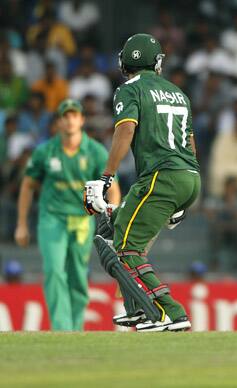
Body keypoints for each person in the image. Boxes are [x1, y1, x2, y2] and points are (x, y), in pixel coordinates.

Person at [83, 34, 201, 332]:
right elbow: (190, 144)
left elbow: (125, 133)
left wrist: (105, 178)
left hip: (161, 177)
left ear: (125, 61)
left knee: (126, 249)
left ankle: (170, 312)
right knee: (114, 227)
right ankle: (136, 308)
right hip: (189, 176)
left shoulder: (129, 90)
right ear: (158, 61)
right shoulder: (178, 93)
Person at [15, 98, 121, 331]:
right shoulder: (45, 151)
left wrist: (113, 223)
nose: (70, 120)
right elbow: (27, 185)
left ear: (82, 120)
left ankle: (75, 328)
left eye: (74, 115)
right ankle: (61, 328)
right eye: (65, 116)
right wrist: (21, 224)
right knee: (54, 270)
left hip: (82, 220)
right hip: (51, 218)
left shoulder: (94, 151)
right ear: (59, 122)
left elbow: (113, 188)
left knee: (77, 275)